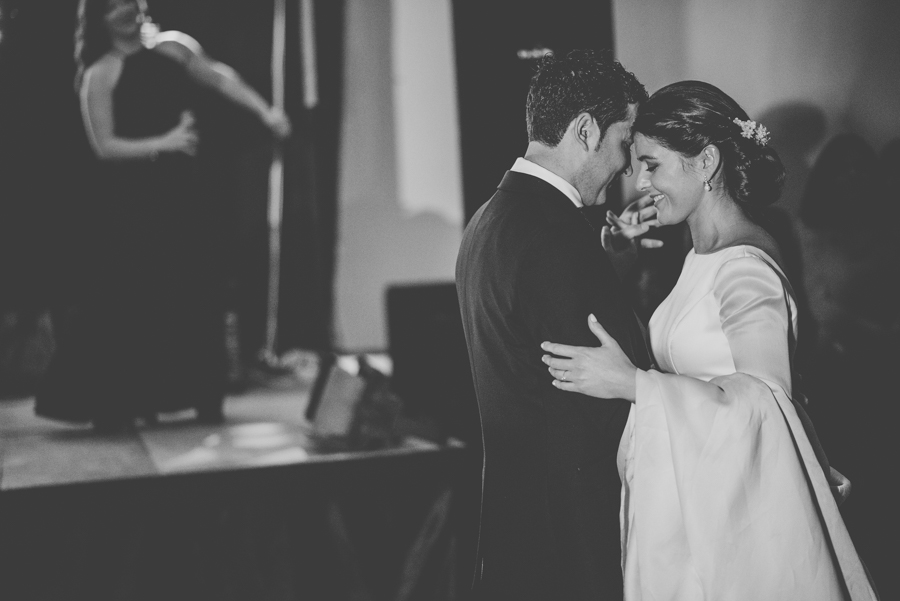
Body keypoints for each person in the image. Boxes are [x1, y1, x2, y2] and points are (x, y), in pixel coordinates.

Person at [541, 81, 879, 600]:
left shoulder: (744, 271)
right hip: (697, 504)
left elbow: (767, 407)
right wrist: (622, 265)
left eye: (653, 163)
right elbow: (691, 354)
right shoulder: (700, 254)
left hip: (734, 531)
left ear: (706, 162)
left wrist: (635, 385)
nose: (639, 180)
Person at [456, 49, 656, 600]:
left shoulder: (487, 222)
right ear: (586, 129)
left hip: (514, 521)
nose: (625, 166)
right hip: (570, 538)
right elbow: (601, 410)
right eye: (623, 141)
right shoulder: (557, 239)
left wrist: (613, 267)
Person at [35, 0, 290, 432]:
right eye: (114, 6)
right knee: (134, 302)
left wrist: (265, 111)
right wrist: (165, 142)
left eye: (131, 2)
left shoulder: (174, 49)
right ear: (99, 19)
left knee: (192, 294)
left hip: (183, 196)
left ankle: (197, 397)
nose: (127, 11)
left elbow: (221, 78)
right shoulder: (101, 73)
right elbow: (105, 146)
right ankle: (125, 402)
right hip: (133, 205)